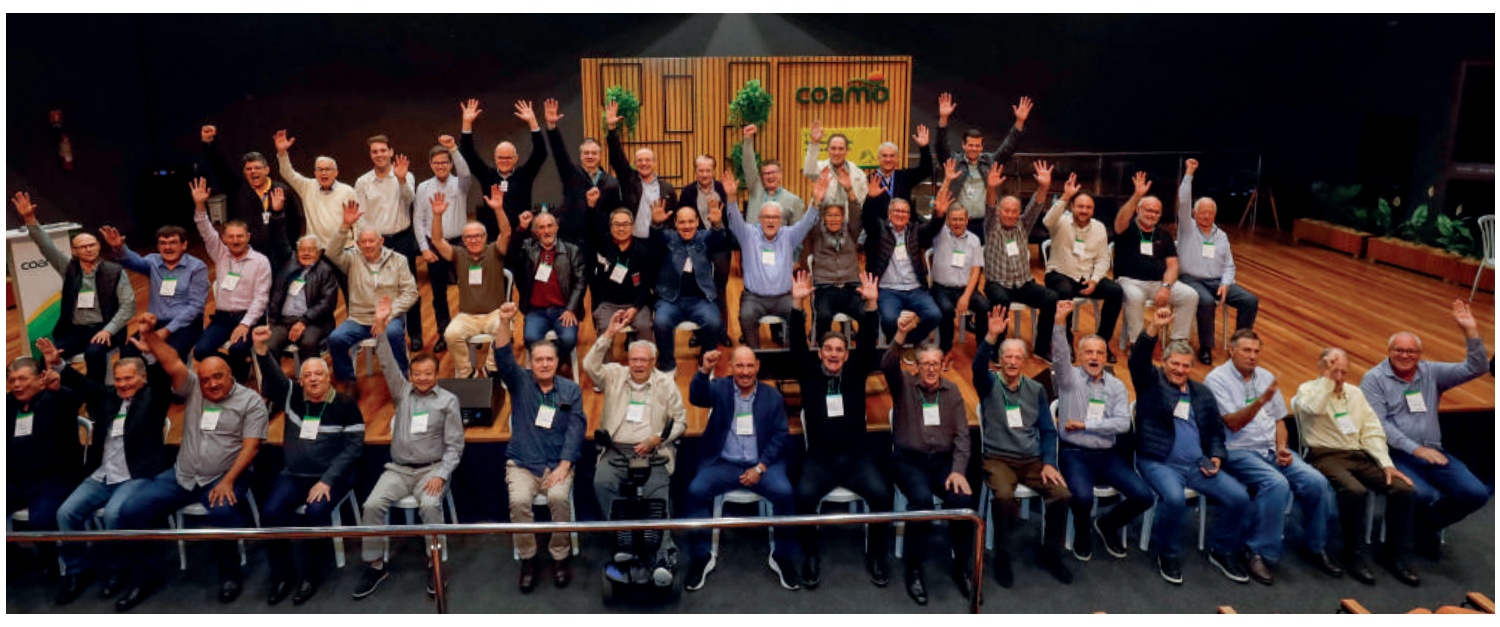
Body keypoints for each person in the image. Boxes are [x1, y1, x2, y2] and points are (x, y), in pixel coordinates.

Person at [112, 312, 267, 611]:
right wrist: (151, 335)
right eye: (206, 379)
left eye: (217, 377)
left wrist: (228, 481)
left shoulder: (250, 402)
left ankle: (229, 576)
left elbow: (251, 447)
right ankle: (146, 576)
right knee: (131, 511)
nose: (210, 384)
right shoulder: (194, 387)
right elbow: (172, 362)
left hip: (225, 475)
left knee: (221, 516)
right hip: (183, 475)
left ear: (230, 375)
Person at [1205, 329, 1341, 585]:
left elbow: (1280, 420)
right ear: (1231, 350)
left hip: (1270, 449)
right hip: (1238, 450)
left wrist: (1282, 447)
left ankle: (1315, 546)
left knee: (1316, 482)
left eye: (1257, 351)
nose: (1253, 356)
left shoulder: (1265, 376)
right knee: (1276, 484)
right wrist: (1260, 401)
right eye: (1247, 350)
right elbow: (1232, 424)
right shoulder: (1217, 380)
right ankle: (1258, 551)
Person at [44, 335, 171, 606]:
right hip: (103, 473)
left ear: (142, 378)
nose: (123, 385)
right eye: (119, 379)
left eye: (129, 379)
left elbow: (162, 379)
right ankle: (77, 571)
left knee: (115, 514)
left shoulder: (155, 396)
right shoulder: (108, 397)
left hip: (136, 473)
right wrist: (58, 364)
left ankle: (119, 570)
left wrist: (151, 355)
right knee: (66, 513)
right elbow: (83, 384)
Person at [1129, 306, 1251, 586]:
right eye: (1175, 364)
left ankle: (1222, 550)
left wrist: (1217, 457)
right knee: (1174, 499)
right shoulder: (1151, 383)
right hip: (1158, 462)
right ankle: (1167, 553)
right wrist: (1153, 329)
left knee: (1240, 497)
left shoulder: (1202, 393)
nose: (1180, 370)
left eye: (1186, 365)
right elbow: (1137, 360)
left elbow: (1215, 433)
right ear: (1165, 362)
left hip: (1198, 465)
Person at [1359, 299, 1490, 561]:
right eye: (1399, 350)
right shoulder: (1373, 379)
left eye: (1411, 352)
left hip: (1433, 452)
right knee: (1420, 494)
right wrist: (1415, 449)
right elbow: (1379, 425)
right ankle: (1400, 545)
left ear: (1420, 355)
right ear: (1388, 351)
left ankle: (1427, 525)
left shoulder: (1430, 372)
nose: (1405, 356)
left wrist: (1470, 333)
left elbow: (1478, 367)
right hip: (1396, 454)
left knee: (1475, 493)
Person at [354, 297, 464, 601]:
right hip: (399, 470)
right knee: (372, 505)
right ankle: (376, 564)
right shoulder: (403, 394)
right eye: (418, 374)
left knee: (429, 505)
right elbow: (387, 361)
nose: (423, 379)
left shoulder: (448, 401)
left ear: (436, 374)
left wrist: (442, 474)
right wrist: (381, 324)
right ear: (412, 376)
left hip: (431, 469)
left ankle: (435, 563)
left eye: (429, 374)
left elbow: (455, 446)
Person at [788, 270, 892, 589]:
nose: (833, 354)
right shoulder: (808, 373)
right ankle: (810, 555)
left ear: (846, 355)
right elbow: (795, 342)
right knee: (803, 498)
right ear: (820, 352)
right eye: (828, 349)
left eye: (839, 350)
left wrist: (872, 304)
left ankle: (876, 555)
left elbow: (869, 337)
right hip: (819, 460)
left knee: (883, 496)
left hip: (857, 459)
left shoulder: (855, 371)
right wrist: (797, 303)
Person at [252, 326, 364, 606]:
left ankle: (310, 576)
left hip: (331, 477)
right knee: (271, 512)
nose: (313, 379)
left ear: (329, 378)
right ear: (301, 381)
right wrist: (262, 350)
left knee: (315, 513)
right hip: (295, 475)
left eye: (319, 374)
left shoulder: (345, 404)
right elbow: (274, 377)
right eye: (308, 375)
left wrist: (327, 480)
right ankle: (282, 575)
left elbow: (353, 447)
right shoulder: (292, 396)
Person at [1293, 347, 1419, 586]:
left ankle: (1394, 554)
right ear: (1321, 368)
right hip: (1324, 455)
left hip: (1359, 454)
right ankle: (1353, 554)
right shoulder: (1308, 390)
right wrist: (1327, 381)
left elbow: (1371, 430)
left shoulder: (1355, 394)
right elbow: (1313, 408)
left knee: (1404, 489)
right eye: (1334, 371)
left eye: (1343, 372)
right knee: (1355, 491)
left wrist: (1385, 463)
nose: (1339, 377)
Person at [682, 347, 801, 592]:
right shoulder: (721, 388)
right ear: (732, 367)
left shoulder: (772, 396)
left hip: (762, 465)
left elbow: (781, 435)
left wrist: (760, 467)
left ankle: (783, 556)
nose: (745, 372)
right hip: (724, 464)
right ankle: (701, 556)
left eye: (749, 366)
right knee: (695, 490)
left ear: (757, 366)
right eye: (740, 366)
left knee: (786, 493)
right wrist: (704, 370)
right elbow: (697, 396)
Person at [1047, 301, 1154, 563]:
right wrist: (1060, 322)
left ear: (1106, 358)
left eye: (1100, 353)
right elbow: (1060, 354)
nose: (1094, 358)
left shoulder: (1116, 387)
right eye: (1089, 353)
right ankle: (1083, 529)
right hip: (1074, 453)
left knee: (1143, 496)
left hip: (1107, 454)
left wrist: (1087, 425)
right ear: (1081, 356)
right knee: (1082, 497)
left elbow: (1123, 424)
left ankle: (1107, 524)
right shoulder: (1069, 379)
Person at [973, 306, 1072, 586]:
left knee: (1061, 494)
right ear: (1000, 361)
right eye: (1008, 357)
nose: (1013, 362)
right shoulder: (989, 383)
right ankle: (1002, 555)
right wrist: (990, 337)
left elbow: (1047, 430)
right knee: (1004, 496)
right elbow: (977, 366)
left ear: (1025, 361)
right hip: (998, 459)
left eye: (1018, 357)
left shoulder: (1036, 390)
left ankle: (1051, 552)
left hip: (1031, 460)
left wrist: (1050, 462)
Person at [493, 301, 587, 591]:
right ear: (530, 363)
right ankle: (528, 558)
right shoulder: (519, 382)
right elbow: (503, 356)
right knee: (519, 502)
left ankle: (560, 556)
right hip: (522, 463)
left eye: (549, 359)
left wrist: (565, 465)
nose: (544, 364)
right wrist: (505, 321)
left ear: (557, 362)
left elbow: (576, 428)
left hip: (557, 464)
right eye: (538, 359)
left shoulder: (570, 389)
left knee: (559, 499)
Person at [882, 312, 974, 604]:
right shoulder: (904, 386)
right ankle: (914, 570)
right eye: (925, 364)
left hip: (942, 462)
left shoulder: (953, 391)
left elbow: (962, 435)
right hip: (908, 460)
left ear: (942, 366)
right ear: (917, 367)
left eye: (936, 364)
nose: (931, 369)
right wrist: (899, 336)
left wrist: (958, 470)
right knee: (921, 502)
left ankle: (962, 568)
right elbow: (887, 364)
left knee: (961, 501)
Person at [12, 191, 133, 383]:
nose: (89, 249)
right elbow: (46, 246)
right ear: (74, 251)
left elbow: (128, 307)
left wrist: (108, 330)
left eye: (92, 244)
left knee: (94, 354)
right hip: (76, 330)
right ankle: (62, 391)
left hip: (106, 328)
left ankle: (96, 397)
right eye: (83, 246)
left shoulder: (115, 271)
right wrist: (30, 219)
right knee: (47, 354)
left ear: (99, 246)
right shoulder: (69, 268)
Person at [584, 307, 687, 517]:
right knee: (602, 482)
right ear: (628, 360)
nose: (638, 365)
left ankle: (660, 545)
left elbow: (681, 421)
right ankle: (621, 534)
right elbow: (589, 365)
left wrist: (658, 438)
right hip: (616, 449)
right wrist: (609, 334)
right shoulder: (614, 375)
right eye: (634, 360)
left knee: (657, 490)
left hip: (652, 452)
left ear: (653, 362)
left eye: (644, 360)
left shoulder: (666, 384)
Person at [324, 199, 419, 388]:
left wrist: (389, 314)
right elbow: (331, 252)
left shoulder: (398, 260)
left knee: (393, 335)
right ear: (358, 244)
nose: (367, 245)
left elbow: (411, 292)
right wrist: (345, 225)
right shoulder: (352, 259)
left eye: (371, 241)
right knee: (335, 339)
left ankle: (401, 382)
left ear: (381, 241)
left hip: (389, 319)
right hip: (359, 319)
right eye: (363, 242)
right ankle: (347, 383)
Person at [6, 350, 81, 581]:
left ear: (40, 379)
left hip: (54, 479)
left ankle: (49, 561)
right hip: (18, 479)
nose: (17, 385)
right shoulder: (8, 405)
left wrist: (57, 388)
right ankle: (13, 557)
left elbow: (74, 400)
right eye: (12, 380)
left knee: (40, 520)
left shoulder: (56, 399)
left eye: (23, 379)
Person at [723, 171, 820, 349]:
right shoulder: (748, 234)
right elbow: (734, 220)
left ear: (781, 220)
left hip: (783, 297)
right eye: (766, 217)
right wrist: (731, 198)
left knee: (798, 315)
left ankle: (791, 357)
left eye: (775, 217)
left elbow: (807, 223)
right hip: (754, 298)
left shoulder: (789, 235)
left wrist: (815, 202)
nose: (770, 221)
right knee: (745, 316)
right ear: (759, 219)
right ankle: (755, 356)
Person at [1175, 159, 1258, 364]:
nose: (1206, 216)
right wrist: (1189, 174)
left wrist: (1226, 283)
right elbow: (1184, 199)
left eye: (1210, 213)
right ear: (1194, 213)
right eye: (1202, 212)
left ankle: (1239, 345)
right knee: (1205, 301)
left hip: (1217, 281)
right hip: (1191, 279)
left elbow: (1229, 265)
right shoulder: (1187, 228)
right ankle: (1205, 347)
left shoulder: (1221, 236)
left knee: (1250, 301)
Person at [190, 177, 273, 381]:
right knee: (200, 351)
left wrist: (245, 324)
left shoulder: (261, 262)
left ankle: (237, 378)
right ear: (225, 238)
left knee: (237, 349)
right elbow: (205, 230)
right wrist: (200, 205)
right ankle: (233, 370)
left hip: (250, 318)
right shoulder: (221, 254)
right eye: (231, 237)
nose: (235, 240)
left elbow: (261, 299)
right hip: (223, 318)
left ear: (248, 237)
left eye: (240, 236)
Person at [982, 160, 1060, 360]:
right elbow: (990, 205)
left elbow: (1036, 205)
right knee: (1000, 300)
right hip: (997, 283)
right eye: (1006, 210)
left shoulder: (1023, 225)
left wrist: (1044, 186)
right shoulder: (992, 226)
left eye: (1014, 211)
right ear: (1000, 211)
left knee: (1050, 297)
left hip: (1023, 283)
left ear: (1018, 213)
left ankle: (1042, 348)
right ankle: (997, 349)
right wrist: (991, 187)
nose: (1009, 214)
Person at [1042, 173, 1124, 362]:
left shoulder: (1099, 228)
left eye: (1088, 207)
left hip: (1087, 276)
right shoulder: (1060, 221)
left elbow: (1104, 258)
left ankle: (1101, 342)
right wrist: (1065, 196)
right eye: (1080, 206)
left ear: (1093, 210)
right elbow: (1047, 221)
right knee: (1064, 290)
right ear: (1072, 207)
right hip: (1059, 273)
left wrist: (1095, 280)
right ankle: (1066, 341)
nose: (1084, 210)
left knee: (1115, 291)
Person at [432, 187, 512, 378]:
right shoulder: (458, 255)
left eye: (478, 236)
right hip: (467, 316)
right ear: (463, 240)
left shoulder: (495, 251)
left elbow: (507, 233)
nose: (474, 240)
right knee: (451, 334)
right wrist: (437, 216)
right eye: (469, 237)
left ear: (485, 238)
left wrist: (498, 209)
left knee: (505, 328)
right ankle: (467, 372)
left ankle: (491, 368)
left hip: (494, 313)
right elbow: (436, 240)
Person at [1113, 172, 1199, 348]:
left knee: (1190, 295)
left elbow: (1173, 265)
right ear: (1138, 210)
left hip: (1159, 283)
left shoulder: (1164, 234)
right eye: (1148, 210)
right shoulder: (1127, 228)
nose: (1152, 215)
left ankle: (1178, 342)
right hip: (1130, 281)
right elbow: (1121, 218)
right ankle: (1138, 343)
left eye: (1156, 212)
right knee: (1134, 297)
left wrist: (1166, 287)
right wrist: (1137, 195)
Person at [103, 222, 210, 363]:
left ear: (183, 245)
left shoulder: (197, 267)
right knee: (128, 353)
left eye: (173, 243)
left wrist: (166, 331)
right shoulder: (153, 261)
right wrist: (119, 247)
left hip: (185, 324)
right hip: (154, 323)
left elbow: (196, 307)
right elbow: (133, 261)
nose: (167, 247)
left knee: (169, 356)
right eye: (163, 243)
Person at [199, 124, 302, 269]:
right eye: (249, 169)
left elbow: (294, 225)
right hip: (246, 256)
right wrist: (209, 144)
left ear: (267, 170)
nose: (253, 171)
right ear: (244, 172)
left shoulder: (282, 191)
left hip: (279, 256)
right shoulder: (236, 189)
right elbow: (219, 168)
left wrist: (292, 252)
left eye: (258, 167)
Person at [353, 134, 422, 350]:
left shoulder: (405, 175)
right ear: (370, 154)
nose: (379, 154)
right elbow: (360, 216)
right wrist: (364, 243)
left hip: (401, 238)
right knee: (375, 288)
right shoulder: (363, 182)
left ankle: (416, 334)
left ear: (391, 152)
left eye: (383, 150)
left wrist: (401, 180)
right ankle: (377, 330)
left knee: (408, 289)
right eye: (375, 151)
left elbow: (410, 199)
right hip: (374, 243)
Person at [414, 136, 474, 354]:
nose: (440, 166)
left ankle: (467, 331)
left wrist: (454, 149)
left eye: (445, 162)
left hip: (460, 244)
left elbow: (466, 172)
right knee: (438, 294)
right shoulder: (422, 188)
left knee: (467, 290)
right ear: (431, 164)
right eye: (436, 163)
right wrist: (424, 248)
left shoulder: (461, 184)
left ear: (450, 164)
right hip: (434, 245)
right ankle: (444, 333)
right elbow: (418, 220)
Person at [263, 193, 340, 362]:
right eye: (302, 249)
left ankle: (310, 382)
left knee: (308, 342)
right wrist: (277, 214)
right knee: (268, 345)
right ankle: (279, 385)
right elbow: (280, 240)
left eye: (310, 250)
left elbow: (327, 303)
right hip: (284, 321)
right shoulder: (288, 263)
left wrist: (304, 321)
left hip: (314, 321)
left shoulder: (325, 271)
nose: (305, 253)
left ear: (319, 252)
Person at [650, 205, 727, 373]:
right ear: (675, 224)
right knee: (660, 323)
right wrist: (655, 223)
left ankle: (705, 364)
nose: (687, 226)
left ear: (698, 222)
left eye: (691, 221)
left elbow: (719, 239)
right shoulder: (668, 238)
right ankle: (667, 365)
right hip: (670, 299)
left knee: (714, 322)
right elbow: (655, 238)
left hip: (701, 299)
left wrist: (717, 224)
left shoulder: (705, 238)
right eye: (682, 222)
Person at [934, 93, 1032, 225]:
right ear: (963, 145)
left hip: (985, 222)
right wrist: (944, 118)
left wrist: (1019, 122)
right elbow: (941, 146)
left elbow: (1008, 147)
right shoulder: (954, 162)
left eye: (977, 146)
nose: (973, 149)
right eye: (970, 145)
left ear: (982, 147)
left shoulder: (989, 161)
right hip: (957, 222)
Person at [511, 211, 587, 374]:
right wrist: (521, 229)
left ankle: (552, 363)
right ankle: (554, 363)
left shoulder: (572, 250)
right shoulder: (527, 248)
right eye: (541, 227)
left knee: (568, 339)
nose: (546, 231)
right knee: (530, 339)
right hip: (536, 310)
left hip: (563, 309)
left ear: (557, 227)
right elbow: (511, 253)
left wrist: (570, 309)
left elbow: (580, 282)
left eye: (550, 226)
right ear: (536, 232)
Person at [927, 165, 989, 364]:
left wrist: (966, 296)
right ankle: (945, 350)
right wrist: (946, 182)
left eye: (961, 219)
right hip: (941, 288)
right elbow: (937, 206)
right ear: (947, 220)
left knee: (984, 306)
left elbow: (975, 271)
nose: (957, 223)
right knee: (945, 310)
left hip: (965, 288)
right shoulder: (939, 232)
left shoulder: (974, 240)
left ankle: (983, 349)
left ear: (967, 220)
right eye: (953, 219)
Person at [459, 98, 548, 234]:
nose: (504, 161)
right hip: (494, 239)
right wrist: (467, 123)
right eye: (500, 157)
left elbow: (540, 153)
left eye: (508, 157)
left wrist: (532, 122)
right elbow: (468, 154)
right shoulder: (487, 175)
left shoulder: (524, 175)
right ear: (495, 158)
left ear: (516, 159)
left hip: (521, 236)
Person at [544, 97, 621, 250]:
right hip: (572, 241)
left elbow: (614, 215)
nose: (590, 156)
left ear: (600, 156)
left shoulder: (611, 183)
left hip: (600, 243)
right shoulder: (571, 175)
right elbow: (559, 154)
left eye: (594, 153)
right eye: (586, 153)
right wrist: (552, 127)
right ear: (580, 156)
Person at [867, 195, 942, 347]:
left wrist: (940, 214)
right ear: (889, 214)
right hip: (888, 290)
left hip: (915, 289)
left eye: (905, 212)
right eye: (897, 211)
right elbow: (868, 218)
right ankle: (903, 343)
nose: (901, 215)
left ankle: (905, 341)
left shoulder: (915, 231)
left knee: (934, 315)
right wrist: (870, 199)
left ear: (909, 215)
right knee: (889, 320)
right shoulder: (879, 231)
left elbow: (932, 228)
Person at [803, 170, 870, 340]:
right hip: (825, 288)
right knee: (824, 317)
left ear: (843, 218)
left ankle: (862, 354)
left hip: (851, 288)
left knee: (867, 315)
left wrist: (849, 190)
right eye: (829, 215)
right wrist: (817, 198)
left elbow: (856, 214)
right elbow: (813, 217)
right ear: (824, 218)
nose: (833, 219)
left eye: (837, 215)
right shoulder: (818, 232)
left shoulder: (851, 231)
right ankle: (821, 348)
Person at [676, 155, 734, 348]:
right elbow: (683, 219)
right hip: (697, 246)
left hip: (720, 246)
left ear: (713, 171)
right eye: (700, 170)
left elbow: (731, 217)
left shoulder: (723, 190)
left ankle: (721, 332)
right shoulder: (687, 192)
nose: (704, 174)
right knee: (696, 287)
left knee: (719, 288)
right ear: (695, 171)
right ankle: (698, 333)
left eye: (708, 170)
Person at [604, 99, 677, 239]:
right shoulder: (629, 181)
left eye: (648, 160)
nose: (644, 163)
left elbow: (674, 217)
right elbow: (617, 159)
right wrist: (611, 129)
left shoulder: (667, 188)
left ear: (655, 163)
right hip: (634, 242)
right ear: (635, 163)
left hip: (659, 243)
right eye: (640, 160)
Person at [275, 128, 358, 248]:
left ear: (336, 172)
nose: (323, 173)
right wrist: (282, 153)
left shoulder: (347, 191)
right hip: (317, 249)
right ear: (315, 173)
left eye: (327, 169)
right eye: (319, 169)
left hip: (344, 249)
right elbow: (287, 173)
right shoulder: (307, 187)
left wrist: (357, 246)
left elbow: (357, 222)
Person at [588, 208, 656, 346]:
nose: (621, 228)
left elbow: (646, 285)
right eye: (617, 224)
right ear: (610, 227)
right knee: (604, 329)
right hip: (608, 304)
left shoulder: (643, 250)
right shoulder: (602, 247)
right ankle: (606, 367)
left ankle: (645, 365)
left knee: (644, 327)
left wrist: (635, 307)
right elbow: (595, 282)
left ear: (632, 226)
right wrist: (598, 306)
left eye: (625, 224)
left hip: (637, 305)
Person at [740, 124, 804, 224]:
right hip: (752, 239)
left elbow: (797, 233)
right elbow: (749, 166)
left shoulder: (793, 201)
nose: (770, 176)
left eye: (773, 172)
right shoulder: (756, 190)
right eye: (766, 173)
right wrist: (747, 140)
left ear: (781, 174)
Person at [802, 119, 869, 212]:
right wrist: (814, 143)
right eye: (833, 148)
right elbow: (808, 172)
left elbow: (862, 201)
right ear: (827, 150)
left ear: (847, 151)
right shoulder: (821, 168)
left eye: (841, 149)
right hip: (824, 222)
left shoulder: (858, 173)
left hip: (850, 222)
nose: (836, 153)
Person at [868, 123, 934, 205]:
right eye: (884, 156)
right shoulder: (869, 180)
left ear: (897, 159)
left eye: (892, 156)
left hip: (903, 216)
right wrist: (870, 197)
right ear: (878, 158)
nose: (888, 159)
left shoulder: (905, 176)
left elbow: (926, 170)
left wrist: (924, 148)